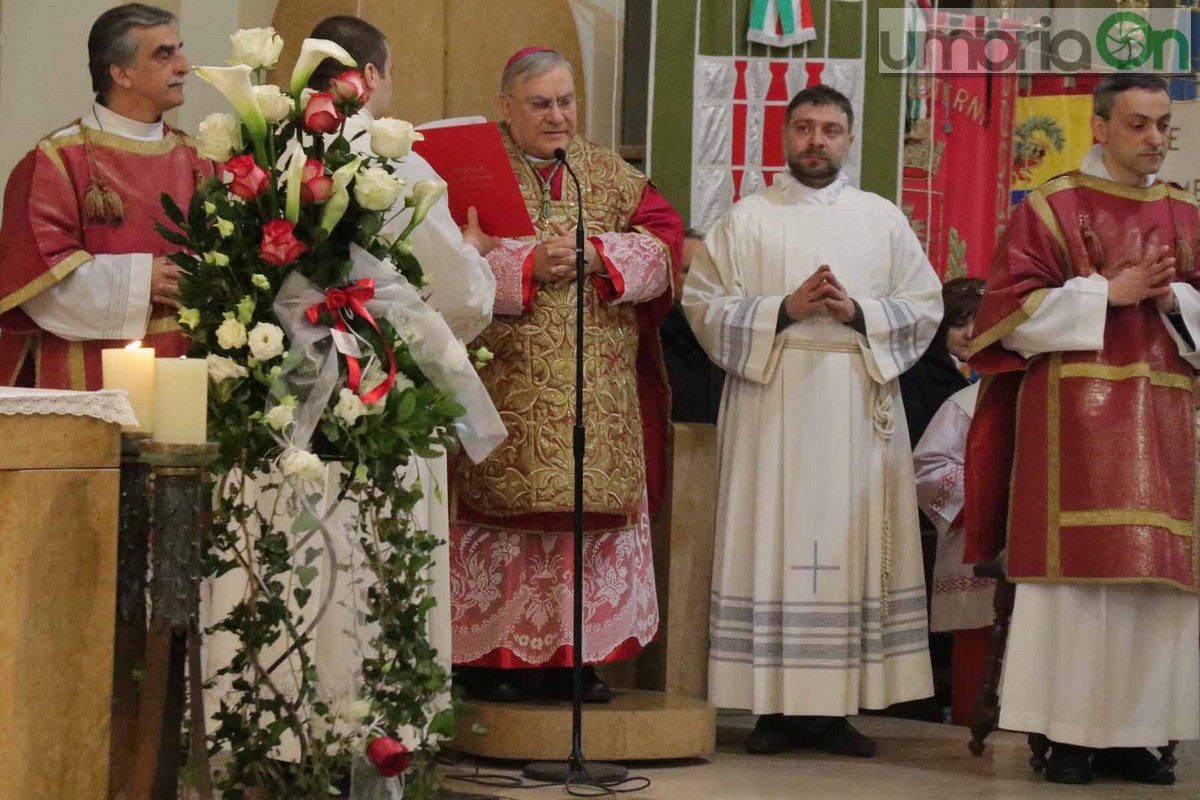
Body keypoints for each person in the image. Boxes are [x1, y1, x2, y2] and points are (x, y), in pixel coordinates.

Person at [684, 85, 942, 757]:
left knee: (845, 547)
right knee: (772, 541)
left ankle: (834, 710)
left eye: (830, 129)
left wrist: (857, 311)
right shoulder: (746, 218)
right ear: (785, 136)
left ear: (849, 139)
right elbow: (704, 306)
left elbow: (924, 304)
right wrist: (784, 309)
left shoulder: (880, 219)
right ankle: (772, 709)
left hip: (856, 405)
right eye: (804, 128)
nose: (816, 141)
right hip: (773, 405)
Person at [965, 72, 1200, 786]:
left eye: (1164, 126)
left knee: (1149, 581)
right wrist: (1109, 292)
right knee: (1073, 587)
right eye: (1138, 124)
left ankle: (1138, 735)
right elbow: (1005, 315)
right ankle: (1066, 736)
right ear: (1098, 127)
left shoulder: (1189, 216)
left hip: (1164, 423)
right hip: (1070, 422)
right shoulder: (1049, 206)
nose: (1155, 139)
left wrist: (1174, 297)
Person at [449, 47, 683, 703]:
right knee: (501, 523)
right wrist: (525, 267)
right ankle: (491, 663)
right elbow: (433, 264)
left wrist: (596, 253)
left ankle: (575, 660)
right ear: (507, 106)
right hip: (502, 386)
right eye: (541, 104)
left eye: (566, 101)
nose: (558, 117)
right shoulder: (466, 172)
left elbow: (667, 242)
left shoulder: (608, 174)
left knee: (584, 525)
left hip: (596, 397)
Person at [0, 3, 208, 390]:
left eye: (179, 49)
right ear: (121, 73)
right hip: (84, 374)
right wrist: (141, 279)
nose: (184, 66)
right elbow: (39, 283)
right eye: (165, 54)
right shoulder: (56, 161)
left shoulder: (200, 160)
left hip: (185, 367)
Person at [308, 15, 495, 344]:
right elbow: (450, 290)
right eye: (389, 70)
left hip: (272, 344)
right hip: (362, 349)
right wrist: (472, 248)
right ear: (370, 74)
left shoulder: (272, 142)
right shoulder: (391, 159)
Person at [912, 378, 994, 727]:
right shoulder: (968, 402)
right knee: (981, 649)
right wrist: (994, 488)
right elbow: (928, 469)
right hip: (980, 546)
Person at [899, 277, 985, 446]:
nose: (970, 334)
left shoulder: (1006, 375)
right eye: (959, 324)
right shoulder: (915, 376)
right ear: (940, 328)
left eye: (980, 324)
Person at [661, 228, 725, 423]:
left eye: (706, 272)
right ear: (669, 277)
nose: (701, 281)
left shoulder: (727, 332)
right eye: (689, 271)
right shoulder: (654, 340)